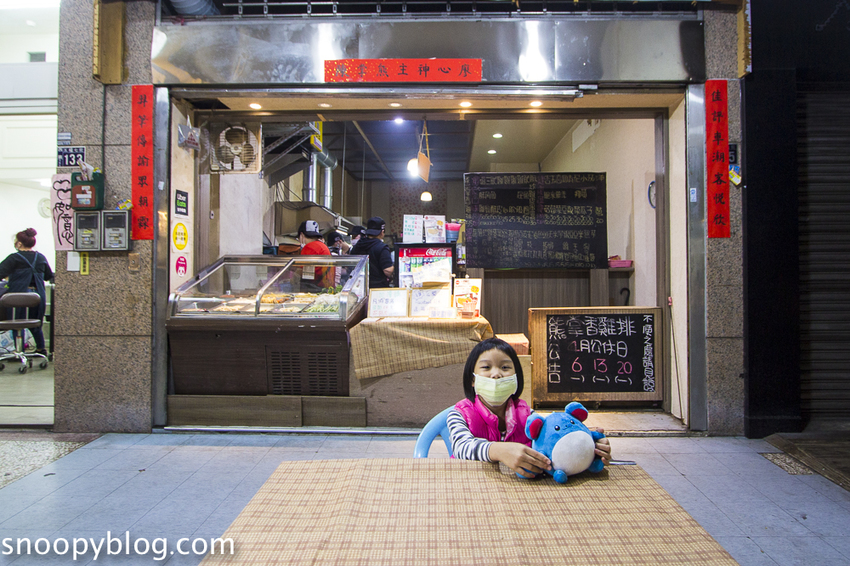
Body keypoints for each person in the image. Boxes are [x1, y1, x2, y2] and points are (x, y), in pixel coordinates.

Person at [447, 337, 612, 478]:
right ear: (472, 379)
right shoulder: (459, 414)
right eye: (486, 367)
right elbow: (462, 447)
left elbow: (551, 442)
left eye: (505, 368)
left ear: (516, 377)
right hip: (469, 485)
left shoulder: (527, 415)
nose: (496, 374)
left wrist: (583, 445)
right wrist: (500, 451)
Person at [0, 228, 54, 357]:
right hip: (37, 296)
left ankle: (19, 351)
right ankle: (41, 348)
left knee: (17, 322)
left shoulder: (14, 258)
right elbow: (48, 276)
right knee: (35, 322)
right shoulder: (40, 257)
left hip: (18, 296)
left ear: (19, 243)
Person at [349, 217, 393, 288]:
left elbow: (350, 266)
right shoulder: (382, 247)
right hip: (377, 288)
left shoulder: (357, 246)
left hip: (358, 286)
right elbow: (387, 271)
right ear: (382, 232)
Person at [297, 220, 332, 289]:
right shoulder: (322, 246)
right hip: (325, 287)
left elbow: (305, 273)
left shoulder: (309, 247)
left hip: (314, 289)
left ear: (301, 235)